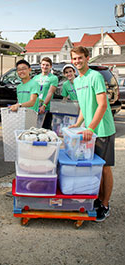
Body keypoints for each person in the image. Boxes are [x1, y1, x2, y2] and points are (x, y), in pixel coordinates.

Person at [70, 46, 116, 222]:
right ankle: (96, 199)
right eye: (74, 59)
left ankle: (105, 204)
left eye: (80, 58)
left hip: (102, 130)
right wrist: (78, 123)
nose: (77, 61)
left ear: (87, 58)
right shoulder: (77, 81)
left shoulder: (95, 77)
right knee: (93, 168)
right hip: (90, 131)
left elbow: (102, 105)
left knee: (104, 168)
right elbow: (84, 106)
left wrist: (91, 128)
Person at [33, 57, 58, 129]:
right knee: (34, 128)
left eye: (47, 65)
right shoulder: (36, 78)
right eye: (43, 64)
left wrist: (44, 105)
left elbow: (50, 92)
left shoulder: (53, 78)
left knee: (45, 130)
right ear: (40, 65)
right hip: (36, 107)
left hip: (46, 108)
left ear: (50, 66)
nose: (45, 67)